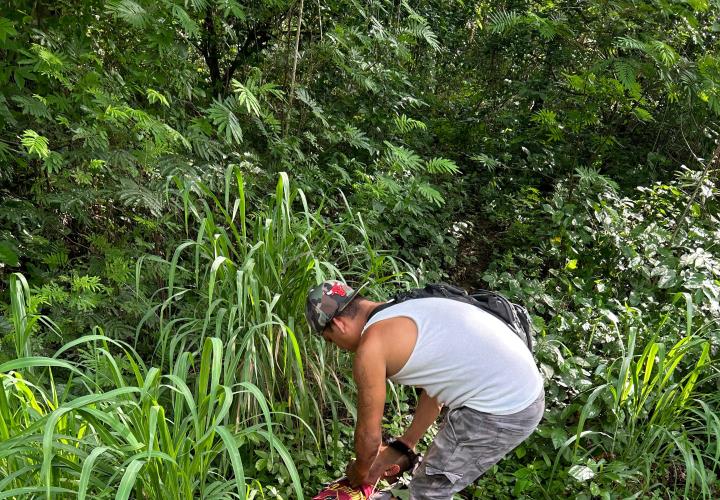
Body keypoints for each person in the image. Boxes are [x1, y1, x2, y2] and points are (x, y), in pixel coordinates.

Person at [305, 280, 544, 499]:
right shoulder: (407, 307)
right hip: (522, 389)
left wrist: (360, 471)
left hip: (503, 408)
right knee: (427, 484)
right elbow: (436, 388)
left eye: (330, 340)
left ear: (337, 324)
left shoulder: (372, 345)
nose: (338, 348)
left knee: (429, 492)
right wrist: (405, 444)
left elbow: (369, 436)